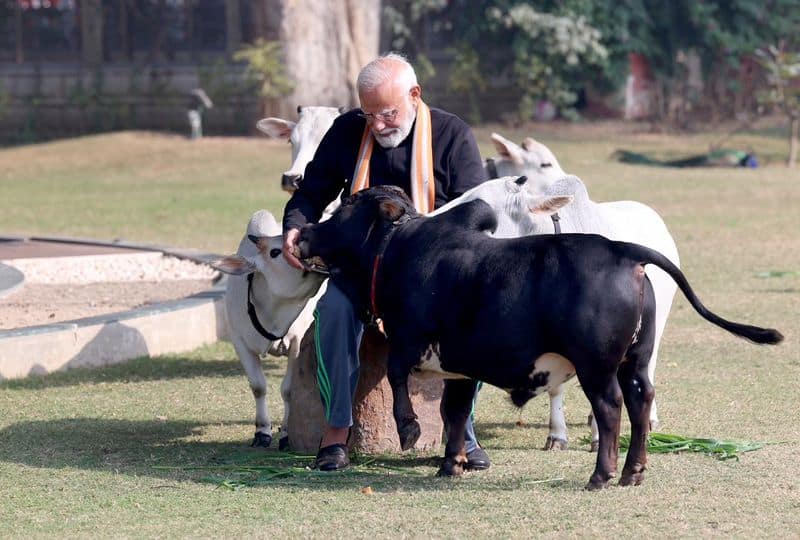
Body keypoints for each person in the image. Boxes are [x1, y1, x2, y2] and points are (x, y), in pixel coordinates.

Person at [282, 53, 490, 472]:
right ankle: (337, 430)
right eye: (369, 113)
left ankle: (461, 432)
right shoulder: (346, 132)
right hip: (360, 272)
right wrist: (294, 226)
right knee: (333, 312)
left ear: (415, 95)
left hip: (433, 276)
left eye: (387, 113)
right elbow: (310, 193)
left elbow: (479, 212)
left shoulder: (452, 134)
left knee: (477, 317)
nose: (376, 125)